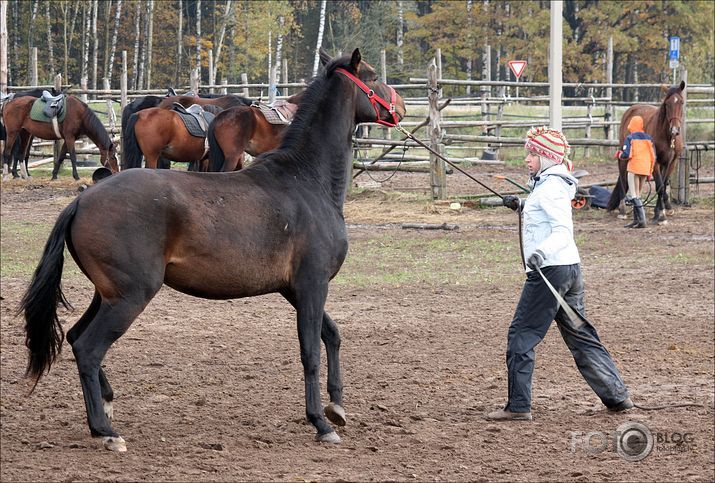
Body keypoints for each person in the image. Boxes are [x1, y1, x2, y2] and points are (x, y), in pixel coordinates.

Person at [487, 126, 632, 421]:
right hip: (568, 269)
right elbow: (545, 214)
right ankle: (617, 397)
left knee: (522, 334)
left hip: (549, 271)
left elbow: (562, 229)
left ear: (548, 156)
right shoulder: (549, 183)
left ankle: (518, 406)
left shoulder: (551, 186)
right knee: (580, 335)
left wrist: (541, 253)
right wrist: (522, 205)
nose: (527, 158)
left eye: (533, 153)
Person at [617, 115, 656, 228]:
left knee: (634, 195)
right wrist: (650, 171)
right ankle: (636, 220)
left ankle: (642, 221)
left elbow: (626, 154)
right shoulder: (649, 138)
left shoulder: (630, 138)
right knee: (638, 194)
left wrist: (619, 154)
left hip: (634, 168)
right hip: (645, 169)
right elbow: (653, 156)